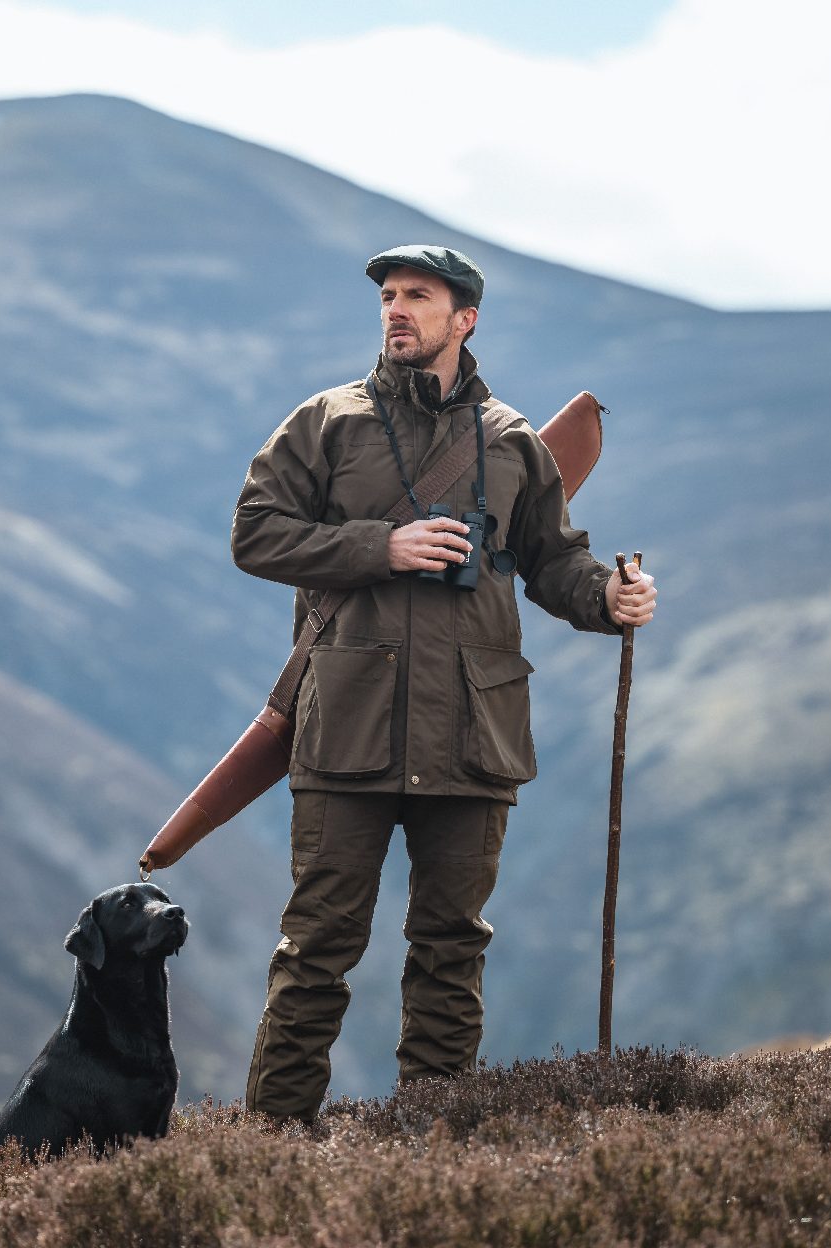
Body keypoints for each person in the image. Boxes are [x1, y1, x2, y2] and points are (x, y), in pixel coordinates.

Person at [231, 244, 657, 1123]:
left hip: (473, 732)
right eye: (388, 296)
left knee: (451, 950)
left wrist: (609, 599)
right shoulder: (327, 423)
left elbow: (554, 564)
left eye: (417, 297)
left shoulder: (508, 441)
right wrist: (374, 547)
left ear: (464, 318)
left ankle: (433, 1146)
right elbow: (256, 534)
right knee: (315, 952)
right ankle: (267, 1148)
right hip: (347, 725)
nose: (396, 310)